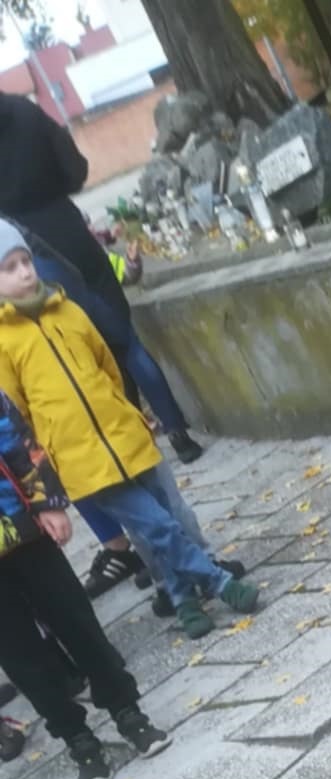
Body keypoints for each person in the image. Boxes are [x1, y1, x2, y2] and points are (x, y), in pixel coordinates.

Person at [0, 223, 260, 639]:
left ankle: (182, 598)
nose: (24, 272)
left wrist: (124, 411)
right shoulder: (4, 340)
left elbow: (105, 365)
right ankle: (218, 582)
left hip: (125, 436)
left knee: (165, 518)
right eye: (9, 268)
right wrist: (50, 463)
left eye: (25, 261)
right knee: (157, 525)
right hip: (83, 461)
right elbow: (17, 415)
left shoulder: (68, 310)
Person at [0, 93, 204, 491]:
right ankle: (179, 434)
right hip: (72, 231)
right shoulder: (27, 111)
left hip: (33, 251)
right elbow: (75, 168)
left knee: (86, 351)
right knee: (127, 341)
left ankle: (135, 443)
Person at [0, 381, 168, 779]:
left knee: (75, 621)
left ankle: (127, 712)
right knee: (20, 657)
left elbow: (17, 439)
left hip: (24, 532)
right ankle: (79, 740)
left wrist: (45, 503)